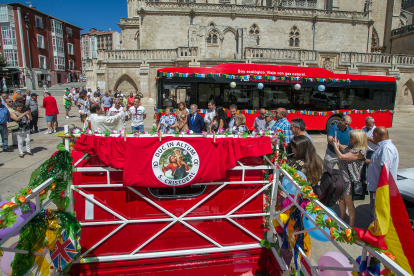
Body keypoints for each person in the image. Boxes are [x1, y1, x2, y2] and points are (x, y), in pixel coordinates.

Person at [333, 129, 367, 227]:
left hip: (350, 181)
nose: (350, 138)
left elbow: (341, 157)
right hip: (343, 178)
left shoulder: (360, 151)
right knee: (341, 200)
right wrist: (338, 144)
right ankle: (342, 219)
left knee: (349, 204)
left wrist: (335, 146)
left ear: (358, 139)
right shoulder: (351, 147)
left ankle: (351, 226)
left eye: (352, 137)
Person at [367, 127, 399, 222]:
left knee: (376, 213)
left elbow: (384, 169)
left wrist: (380, 189)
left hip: (380, 188)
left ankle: (376, 234)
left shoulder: (386, 148)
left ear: (376, 135)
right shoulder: (383, 146)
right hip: (377, 186)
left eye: (373, 135)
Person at [361, 116, 376, 186]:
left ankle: (371, 183)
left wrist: (370, 139)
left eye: (369, 124)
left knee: (370, 169)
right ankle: (362, 182)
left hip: (371, 152)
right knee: (362, 168)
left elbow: (378, 142)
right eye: (367, 124)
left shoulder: (376, 130)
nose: (368, 126)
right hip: (364, 151)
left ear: (373, 123)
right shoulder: (363, 129)